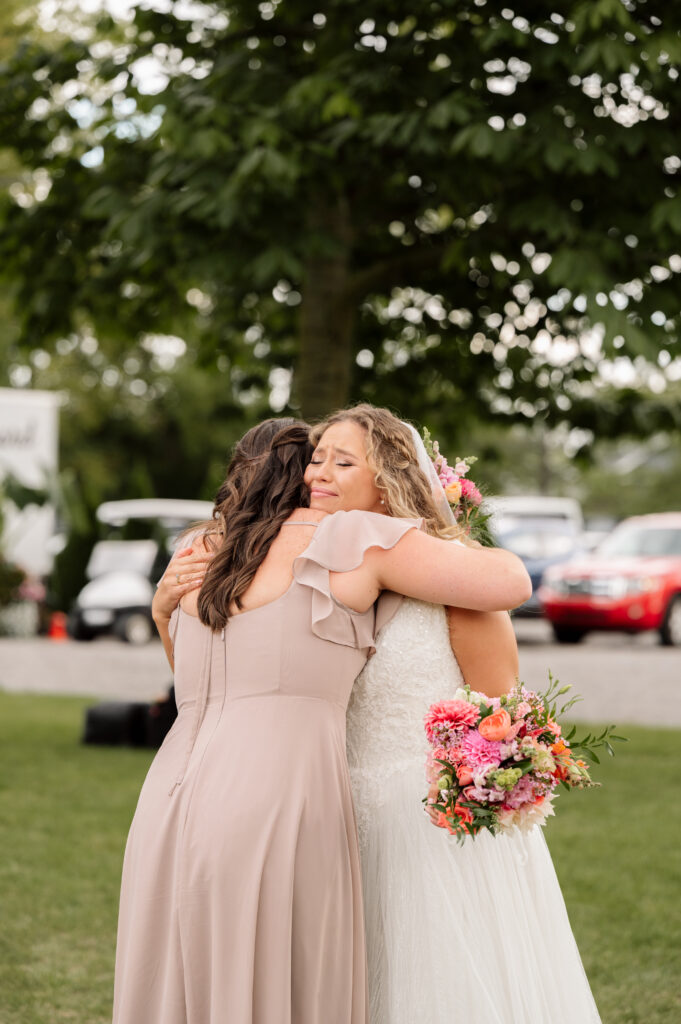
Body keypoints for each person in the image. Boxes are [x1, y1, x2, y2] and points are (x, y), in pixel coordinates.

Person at [112, 416, 531, 1024]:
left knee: (184, 986)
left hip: (168, 796)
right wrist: (439, 524)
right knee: (278, 986)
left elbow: (198, 687)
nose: (321, 475)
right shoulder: (349, 537)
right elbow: (510, 581)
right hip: (278, 796)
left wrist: (160, 613)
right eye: (317, 459)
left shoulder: (202, 549)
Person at [306, 404, 601, 1024]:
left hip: (430, 827)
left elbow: (499, 705)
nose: (318, 473)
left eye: (342, 461)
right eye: (316, 458)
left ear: (387, 481)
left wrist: (479, 780)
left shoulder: (460, 579)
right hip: (338, 816)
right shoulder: (315, 568)